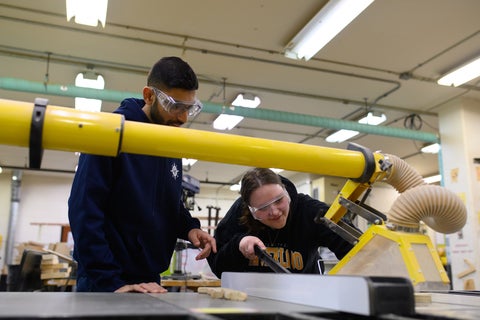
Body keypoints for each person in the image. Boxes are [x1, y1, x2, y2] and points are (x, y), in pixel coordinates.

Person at [68, 56, 216, 293]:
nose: (183, 118)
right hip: (107, 282)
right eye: (175, 105)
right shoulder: (108, 133)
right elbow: (84, 211)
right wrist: (111, 282)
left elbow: (168, 202)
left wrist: (190, 228)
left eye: (188, 108)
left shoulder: (169, 141)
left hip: (149, 278)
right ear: (149, 96)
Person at [207, 168, 354, 278]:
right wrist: (238, 245)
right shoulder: (238, 213)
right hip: (253, 298)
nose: (274, 212)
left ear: (286, 193)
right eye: (263, 208)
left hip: (304, 296)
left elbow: (357, 250)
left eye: (279, 200)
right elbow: (218, 267)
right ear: (251, 210)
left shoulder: (310, 211)